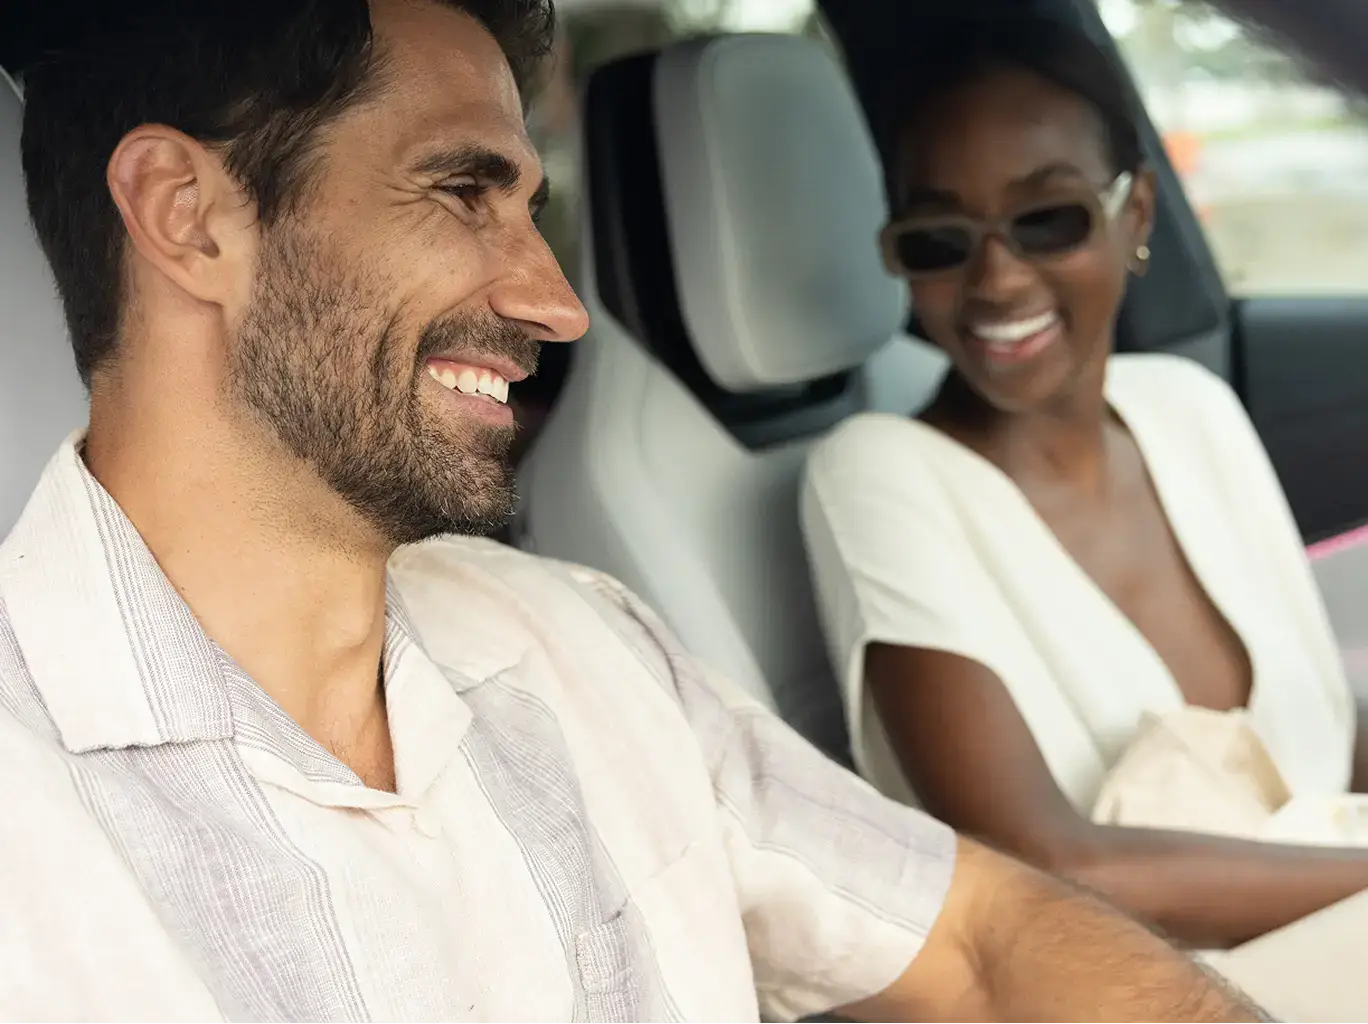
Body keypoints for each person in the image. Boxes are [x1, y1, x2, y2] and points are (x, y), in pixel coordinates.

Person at [0, 1, 1269, 1021]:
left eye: (530, 210)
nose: (557, 304)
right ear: (187, 215)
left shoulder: (576, 640)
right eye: (460, 192)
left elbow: (984, 942)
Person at [800, 6, 1368, 983]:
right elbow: (1041, 862)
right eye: (939, 239)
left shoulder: (1192, 409)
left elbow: (1339, 747)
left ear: (1136, 213)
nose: (997, 276)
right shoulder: (876, 473)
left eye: (1047, 218)